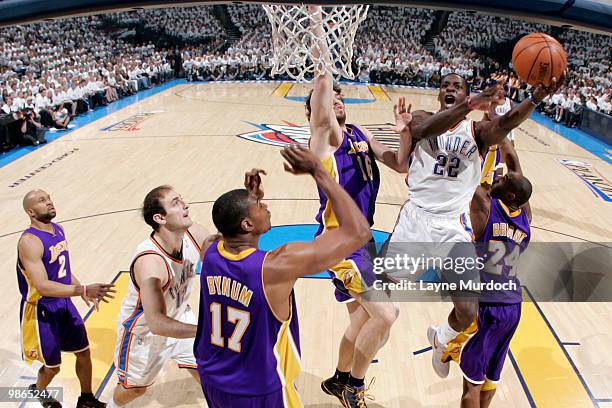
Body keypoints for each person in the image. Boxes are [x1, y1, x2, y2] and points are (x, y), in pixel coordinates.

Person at [386, 71, 563, 378]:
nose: (450, 89)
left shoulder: (478, 131)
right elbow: (425, 128)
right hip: (416, 218)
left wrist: (535, 97)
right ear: (440, 95)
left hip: (452, 224)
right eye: (446, 86)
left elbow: (506, 125)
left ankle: (440, 339)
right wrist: (470, 102)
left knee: (468, 311)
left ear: (466, 93)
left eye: (457, 86)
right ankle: (372, 327)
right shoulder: (421, 117)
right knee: (383, 284)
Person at [195, 146, 372, 407]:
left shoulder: (209, 250)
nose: (265, 206)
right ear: (246, 225)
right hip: (260, 390)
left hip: (213, 380)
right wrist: (319, 172)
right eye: (259, 205)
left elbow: (229, 226)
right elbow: (358, 232)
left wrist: (249, 200)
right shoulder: (276, 266)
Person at [305, 7, 410, 406]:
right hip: (337, 242)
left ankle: (336, 379)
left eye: (340, 96)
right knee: (386, 315)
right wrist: (317, 25)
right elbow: (323, 83)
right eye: (330, 99)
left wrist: (403, 135)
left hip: (361, 242)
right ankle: (354, 387)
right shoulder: (324, 139)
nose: (337, 99)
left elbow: (399, 164)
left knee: (364, 319)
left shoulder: (359, 133)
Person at [107, 186, 209, 408]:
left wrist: (251, 201)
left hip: (181, 316)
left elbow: (227, 252)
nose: (186, 204)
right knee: (135, 389)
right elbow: (156, 322)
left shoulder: (191, 233)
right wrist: (206, 330)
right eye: (176, 202)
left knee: (209, 370)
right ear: (160, 218)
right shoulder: (150, 262)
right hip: (144, 334)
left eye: (182, 199)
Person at [17, 189, 114, 408]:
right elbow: (42, 286)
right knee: (53, 367)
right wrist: (82, 290)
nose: (50, 202)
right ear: (31, 212)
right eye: (43, 201)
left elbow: (62, 270)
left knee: (84, 352)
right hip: (41, 309)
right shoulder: (29, 242)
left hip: (64, 303)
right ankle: (39, 391)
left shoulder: (58, 230)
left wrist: (80, 288)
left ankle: (86, 399)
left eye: (49, 198)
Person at [458, 169, 532, 408]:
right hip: (513, 306)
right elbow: (516, 175)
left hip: (489, 307)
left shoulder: (487, 209)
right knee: (492, 375)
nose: (497, 178)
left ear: (510, 195)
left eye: (503, 180)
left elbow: (470, 180)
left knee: (471, 383)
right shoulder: (525, 220)